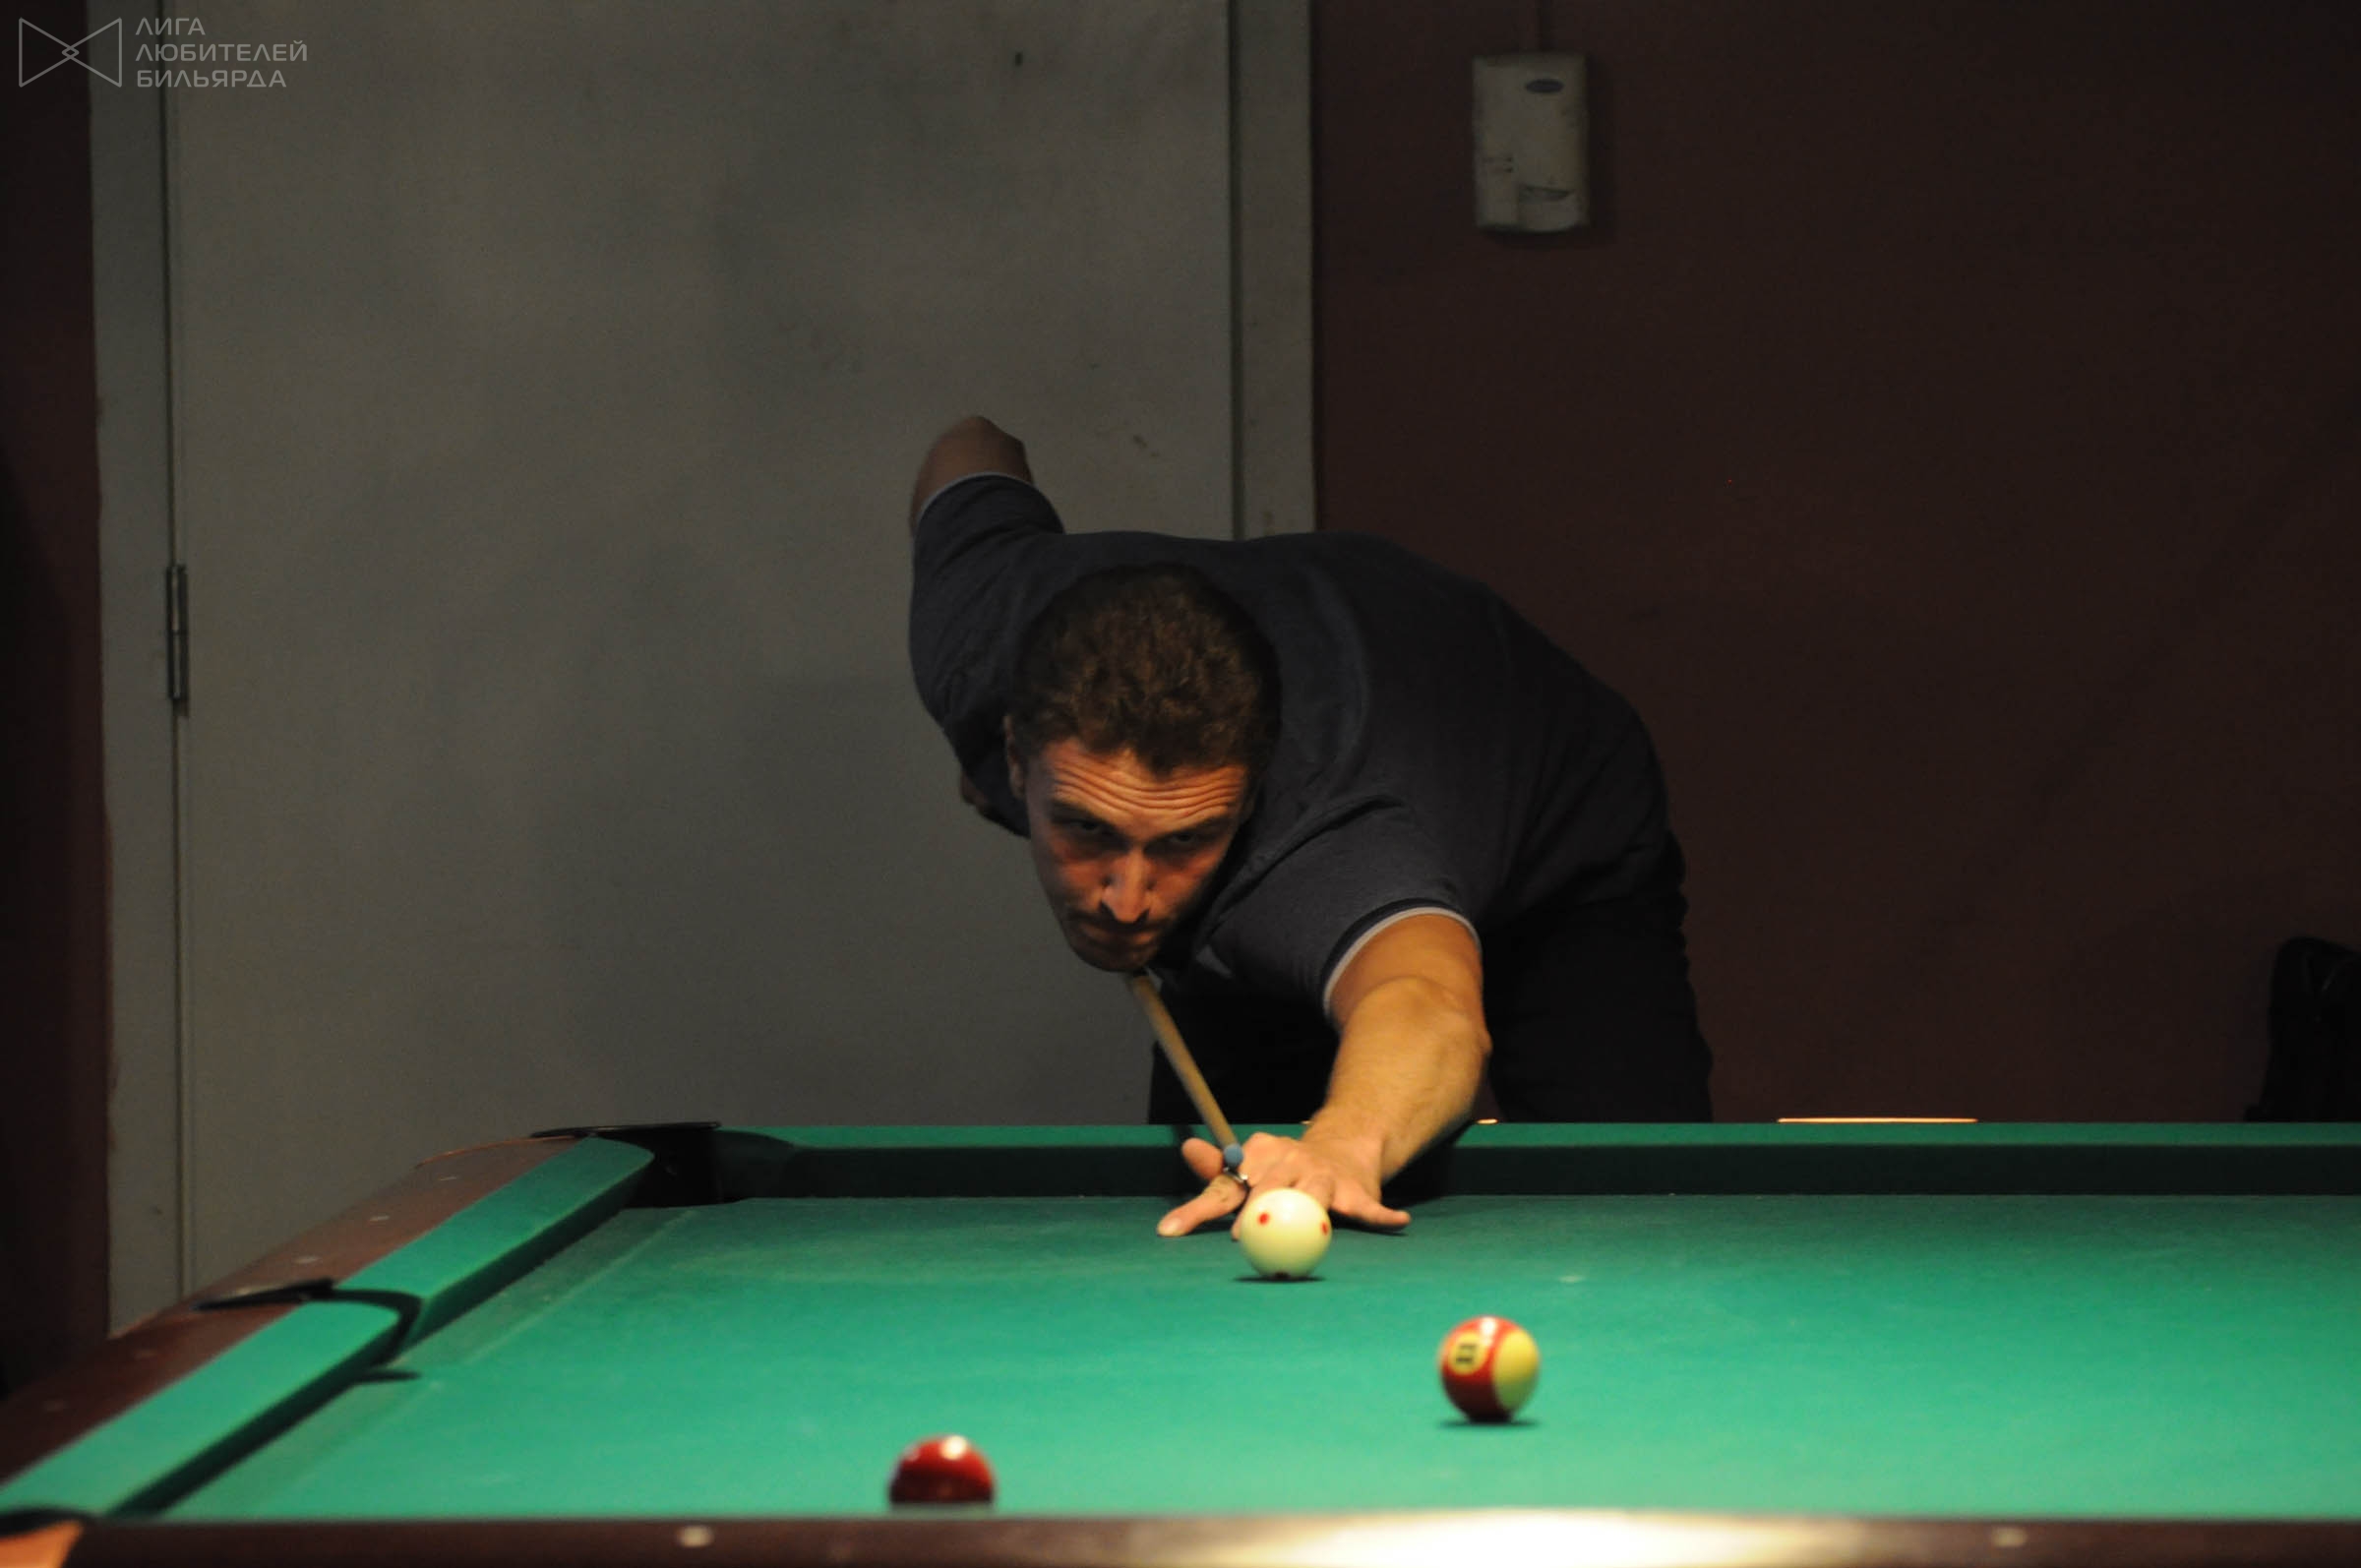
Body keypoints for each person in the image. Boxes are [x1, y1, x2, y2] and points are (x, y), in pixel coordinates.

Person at [907, 416, 1710, 1238]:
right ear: (1017, 753)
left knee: (1639, 1207)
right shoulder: (977, 636)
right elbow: (972, 446)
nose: (1127, 899)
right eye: (1088, 828)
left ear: (1250, 797)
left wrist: (1344, 1142)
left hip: (1559, 849)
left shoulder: (1327, 848)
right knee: (1232, 1182)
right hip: (1351, 732)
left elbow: (1426, 1001)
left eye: (1184, 840)